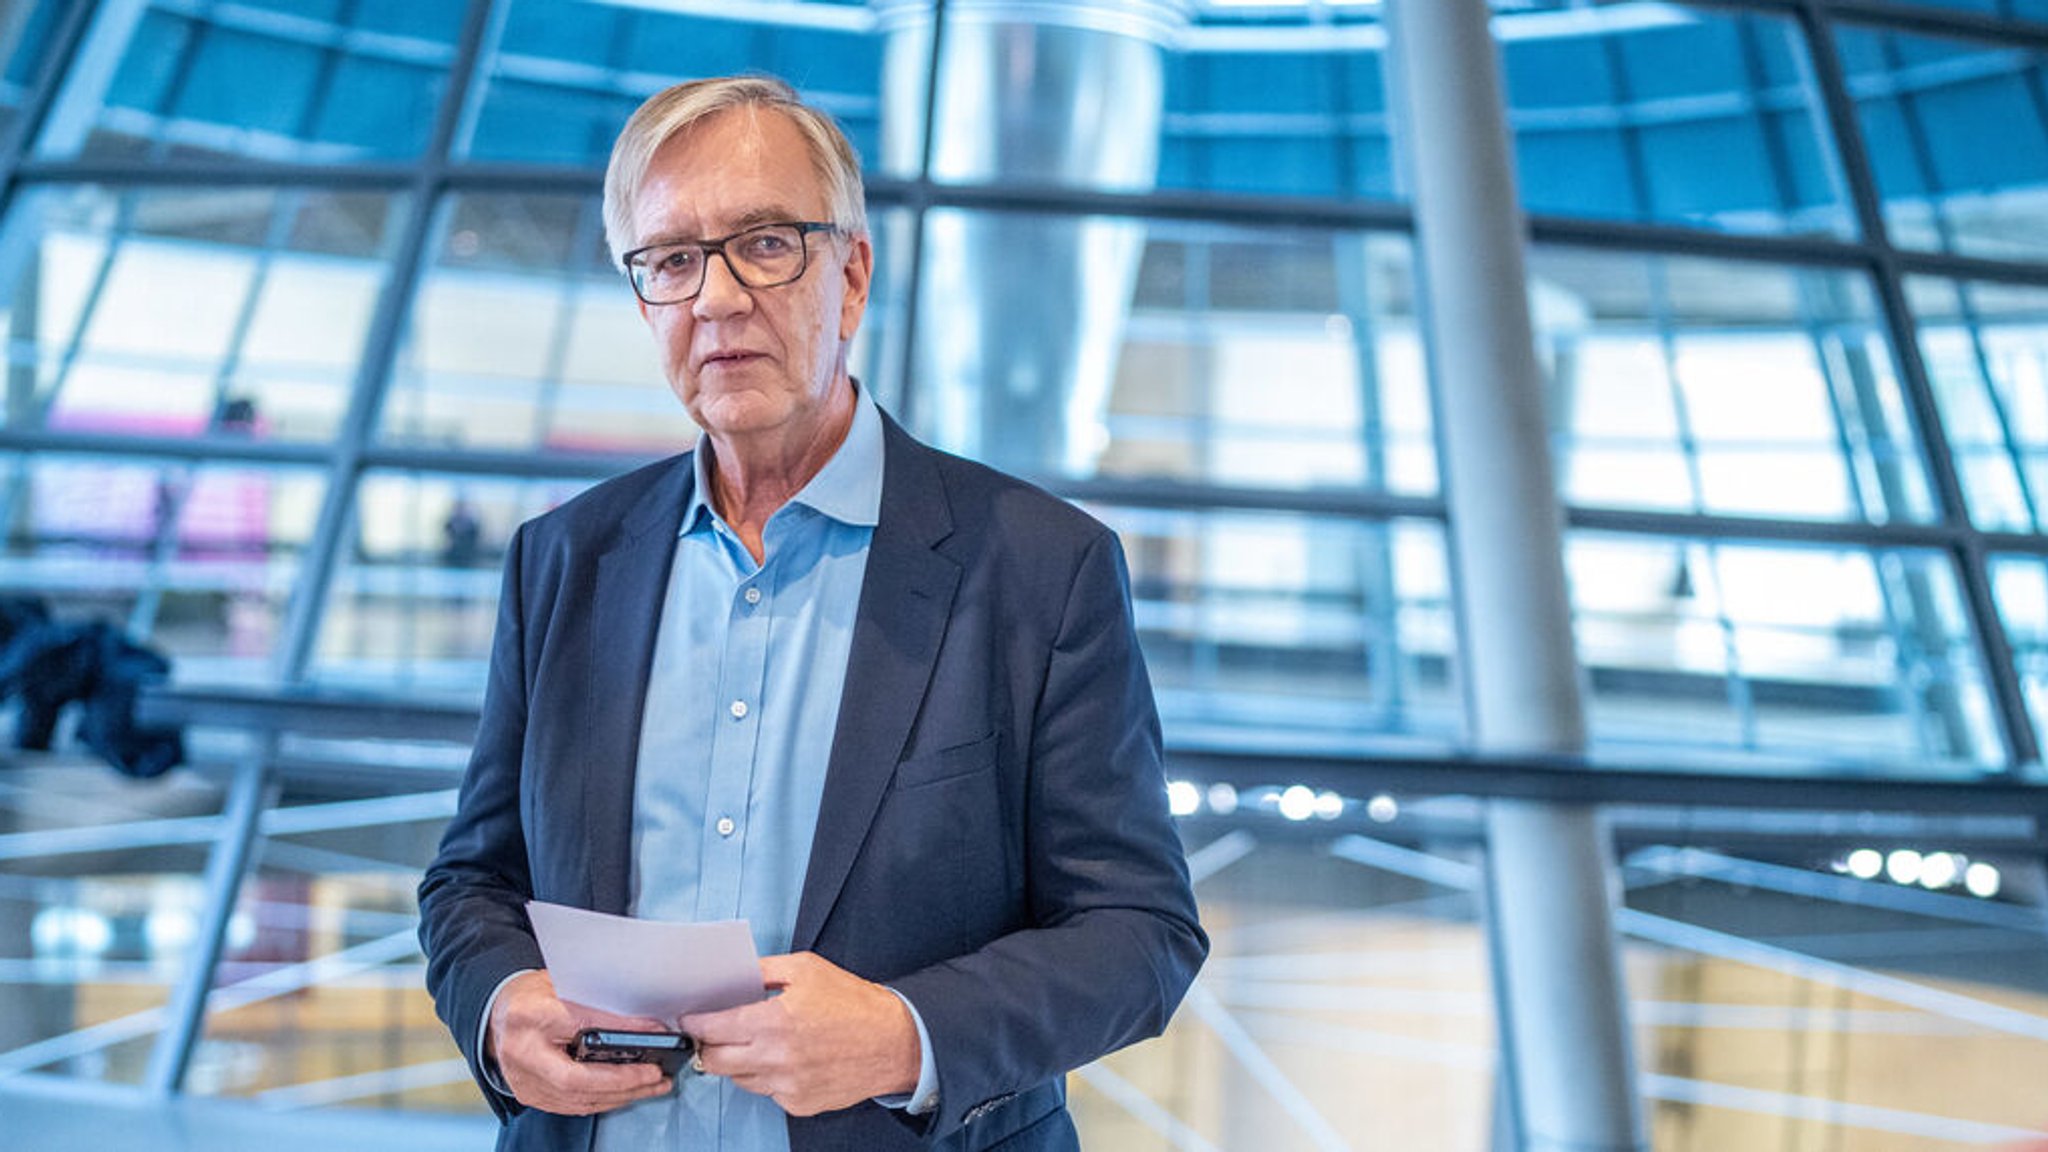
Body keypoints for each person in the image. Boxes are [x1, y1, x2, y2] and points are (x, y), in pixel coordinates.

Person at [416, 74, 1207, 1152]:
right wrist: (500, 1004)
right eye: (672, 260)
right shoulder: (564, 561)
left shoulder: (1036, 568)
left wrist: (905, 1032)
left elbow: (1139, 934)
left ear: (851, 276)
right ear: (644, 298)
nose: (718, 297)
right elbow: (471, 883)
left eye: (767, 242)